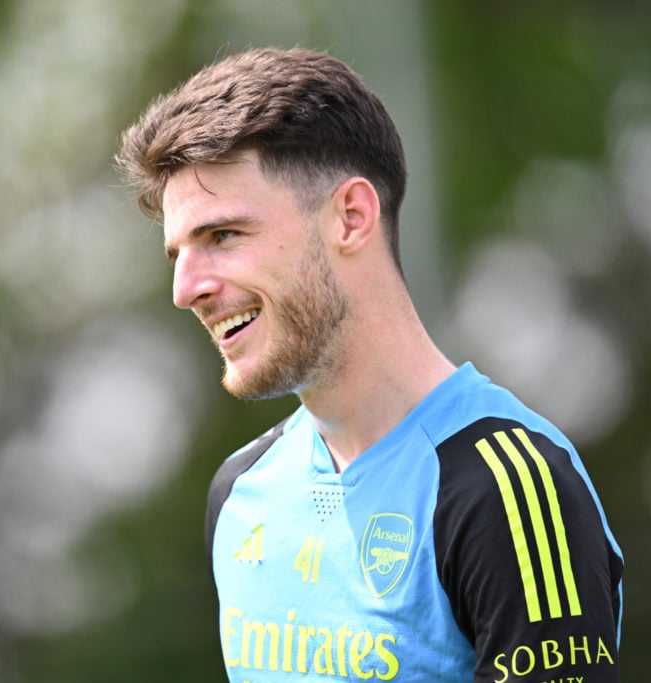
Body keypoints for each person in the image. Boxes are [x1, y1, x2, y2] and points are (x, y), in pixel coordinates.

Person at [117, 47, 624, 682]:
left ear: (352, 217)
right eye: (178, 254)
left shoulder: (507, 489)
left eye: (223, 236)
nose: (186, 288)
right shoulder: (240, 492)